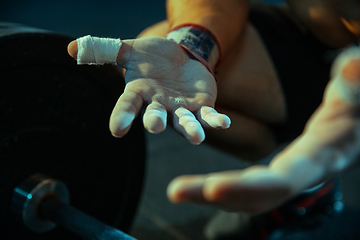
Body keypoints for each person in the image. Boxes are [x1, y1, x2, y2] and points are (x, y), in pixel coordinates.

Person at [67, 0, 360, 238]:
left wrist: (334, 133)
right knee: (157, 59)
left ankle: (305, 181)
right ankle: (293, 163)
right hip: (320, 40)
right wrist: (193, 46)